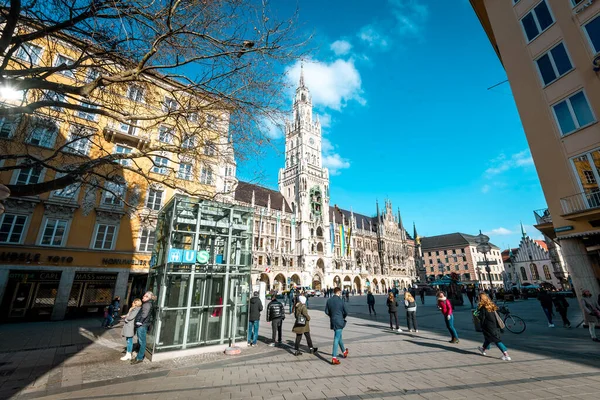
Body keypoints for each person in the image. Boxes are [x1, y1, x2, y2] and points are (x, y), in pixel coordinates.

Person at [476, 293, 511, 361]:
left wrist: (479, 321)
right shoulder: (492, 305)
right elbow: (498, 316)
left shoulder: (483, 308)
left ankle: (506, 355)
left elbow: (482, 318)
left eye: (479, 298)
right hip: (495, 325)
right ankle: (483, 349)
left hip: (488, 326)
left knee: (496, 340)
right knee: (488, 338)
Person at [325, 287, 349, 365]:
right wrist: (342, 317)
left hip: (333, 320)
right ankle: (334, 357)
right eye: (340, 292)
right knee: (336, 338)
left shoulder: (329, 300)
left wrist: (331, 315)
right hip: (339, 321)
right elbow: (346, 312)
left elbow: (326, 311)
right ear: (338, 292)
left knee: (339, 337)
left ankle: (344, 352)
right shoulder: (341, 301)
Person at [131, 291, 155, 365]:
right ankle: (139, 356)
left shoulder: (147, 304)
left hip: (142, 325)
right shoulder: (148, 303)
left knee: (142, 341)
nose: (143, 297)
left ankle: (140, 357)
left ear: (148, 297)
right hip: (143, 324)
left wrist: (140, 322)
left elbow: (144, 314)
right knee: (141, 340)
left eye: (144, 296)